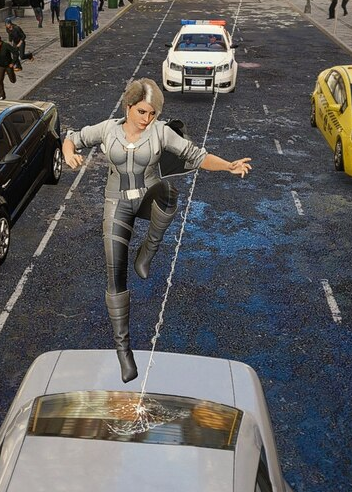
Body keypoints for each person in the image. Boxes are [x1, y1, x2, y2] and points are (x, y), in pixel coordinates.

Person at [62, 78, 252, 383]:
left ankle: (148, 250)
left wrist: (228, 165)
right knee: (115, 277)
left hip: (148, 197)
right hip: (116, 203)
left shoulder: (161, 132)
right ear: (128, 106)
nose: (146, 119)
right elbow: (72, 137)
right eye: (142, 111)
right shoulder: (108, 129)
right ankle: (123, 350)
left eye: (152, 113)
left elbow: (196, 155)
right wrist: (68, 152)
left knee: (168, 192)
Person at [0, 32, 18, 100]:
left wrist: (13, 62)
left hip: (8, 65)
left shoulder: (6, 45)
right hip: (1, 66)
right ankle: (2, 95)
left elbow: (15, 52)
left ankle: (13, 75)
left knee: (12, 80)